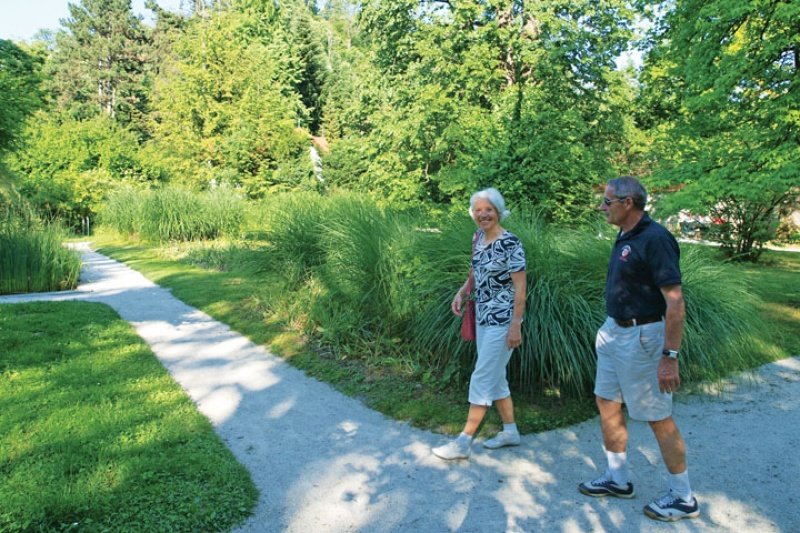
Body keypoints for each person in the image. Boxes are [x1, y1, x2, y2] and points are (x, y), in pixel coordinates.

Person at [578, 176, 699, 522]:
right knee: (607, 402)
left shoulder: (655, 239)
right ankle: (617, 479)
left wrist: (669, 357)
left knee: (658, 417)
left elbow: (675, 303)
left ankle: (683, 496)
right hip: (614, 331)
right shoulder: (625, 234)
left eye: (607, 201)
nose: (602, 207)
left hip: (644, 337)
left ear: (628, 202)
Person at [432, 188, 527, 460]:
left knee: (482, 376)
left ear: (498, 211)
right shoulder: (478, 238)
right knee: (496, 377)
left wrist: (516, 325)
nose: (483, 215)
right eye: (478, 210)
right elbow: (475, 270)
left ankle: (463, 442)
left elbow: (521, 289)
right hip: (483, 316)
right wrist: (462, 291)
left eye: (489, 210)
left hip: (504, 320)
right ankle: (510, 432)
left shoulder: (511, 243)